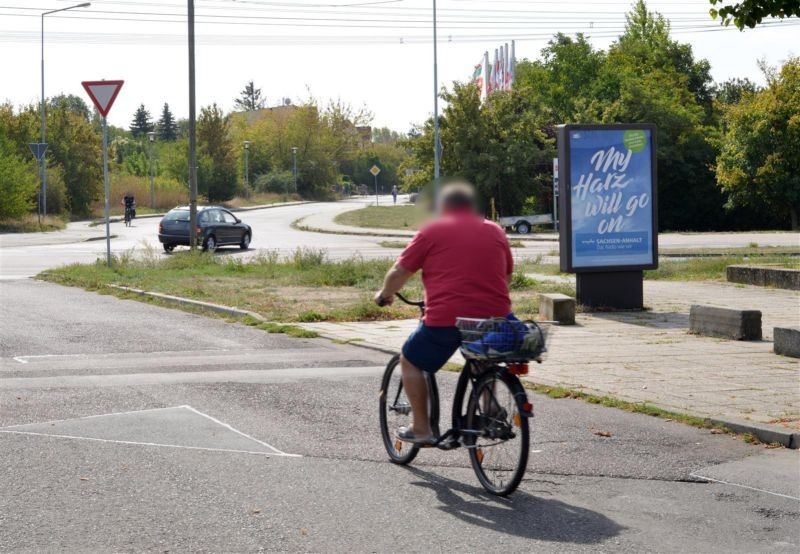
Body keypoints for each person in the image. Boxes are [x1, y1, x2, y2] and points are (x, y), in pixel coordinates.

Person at [374, 182, 514, 444]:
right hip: (495, 318)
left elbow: (401, 271)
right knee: (482, 359)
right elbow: (506, 274)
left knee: (410, 360)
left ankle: (421, 428)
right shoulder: (495, 231)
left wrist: (384, 294)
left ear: (442, 207)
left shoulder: (433, 231)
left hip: (447, 319)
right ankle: (491, 410)